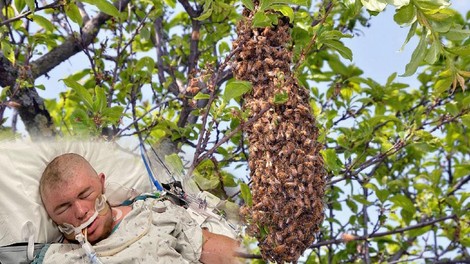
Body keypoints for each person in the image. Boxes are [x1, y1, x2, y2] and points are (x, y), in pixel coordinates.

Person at [36, 153, 241, 263]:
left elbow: (224, 253)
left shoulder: (154, 212)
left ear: (101, 184)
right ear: (53, 218)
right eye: (63, 208)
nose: (80, 212)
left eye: (85, 195)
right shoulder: (55, 258)